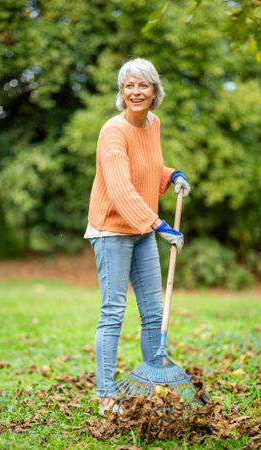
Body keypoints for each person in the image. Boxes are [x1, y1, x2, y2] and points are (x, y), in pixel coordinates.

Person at [84, 57, 191, 416]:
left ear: (154, 91)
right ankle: (106, 395)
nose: (135, 91)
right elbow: (118, 185)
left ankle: (152, 388)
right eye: (129, 85)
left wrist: (170, 174)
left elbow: (145, 164)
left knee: (152, 312)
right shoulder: (112, 131)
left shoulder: (153, 123)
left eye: (143, 85)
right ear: (121, 91)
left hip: (142, 229)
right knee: (113, 312)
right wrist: (159, 224)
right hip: (112, 229)